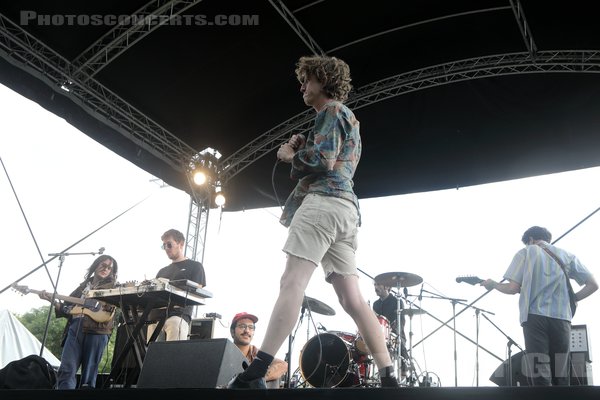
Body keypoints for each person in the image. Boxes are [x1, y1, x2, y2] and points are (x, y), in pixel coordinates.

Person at [228, 55, 398, 389]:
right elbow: (335, 159)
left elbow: (323, 160)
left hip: (322, 206)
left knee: (292, 282)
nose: (302, 86)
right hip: (346, 211)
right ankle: (389, 374)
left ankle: (256, 370)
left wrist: (292, 156)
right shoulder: (349, 119)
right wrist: (307, 147)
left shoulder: (330, 111)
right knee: (353, 299)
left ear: (324, 80)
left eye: (307, 80)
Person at [482, 226, 598, 386]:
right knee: (560, 371)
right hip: (562, 319)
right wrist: (572, 300)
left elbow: (512, 288)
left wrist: (493, 284)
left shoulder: (526, 253)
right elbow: (593, 285)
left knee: (540, 370)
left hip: (534, 318)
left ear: (530, 239)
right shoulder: (567, 256)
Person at [40, 254, 118, 389]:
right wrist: (51, 300)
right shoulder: (82, 287)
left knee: (88, 376)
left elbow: (114, 307)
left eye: (110, 268)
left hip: (97, 331)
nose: (106, 269)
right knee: (66, 370)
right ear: (96, 265)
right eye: (103, 265)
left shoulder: (114, 287)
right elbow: (66, 309)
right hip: (75, 328)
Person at [147, 229, 206, 341]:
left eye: (169, 244)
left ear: (181, 244)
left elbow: (198, 291)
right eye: (164, 246)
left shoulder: (195, 266)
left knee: (173, 353)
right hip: (156, 317)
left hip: (178, 315)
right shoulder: (162, 271)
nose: (166, 249)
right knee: (152, 355)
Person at [229, 312, 288, 388]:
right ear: (232, 332)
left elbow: (283, 365)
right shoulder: (224, 352)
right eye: (242, 326)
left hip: (251, 394)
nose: (247, 330)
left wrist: (256, 378)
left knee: (274, 379)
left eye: (251, 327)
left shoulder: (256, 352)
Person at [373, 283, 409, 377]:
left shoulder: (397, 301)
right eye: (375, 285)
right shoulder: (375, 304)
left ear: (387, 286)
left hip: (395, 334)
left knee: (399, 343)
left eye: (378, 284)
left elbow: (401, 322)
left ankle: (404, 373)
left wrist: (392, 330)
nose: (376, 287)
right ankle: (382, 375)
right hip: (379, 336)